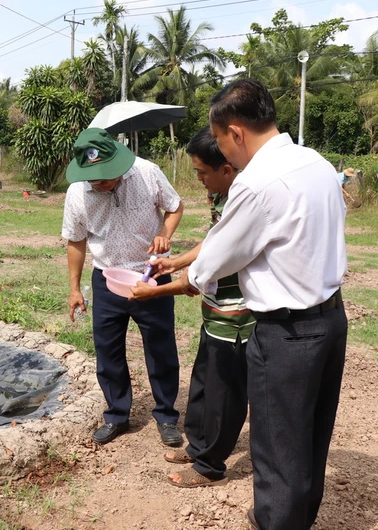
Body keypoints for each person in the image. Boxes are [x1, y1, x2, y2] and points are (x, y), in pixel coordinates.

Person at [172, 79, 347, 530]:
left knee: (277, 447)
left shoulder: (256, 183)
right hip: (331, 319)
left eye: (222, 145)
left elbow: (214, 260)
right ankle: (295, 517)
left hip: (286, 333)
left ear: (236, 132)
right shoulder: (317, 162)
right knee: (309, 435)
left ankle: (276, 521)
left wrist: (175, 277)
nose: (224, 157)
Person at [130, 126, 255, 489]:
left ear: (226, 169)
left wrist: (157, 290)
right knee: (202, 384)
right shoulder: (222, 196)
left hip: (236, 317)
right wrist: (175, 262)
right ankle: (199, 444)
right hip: (215, 312)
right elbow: (214, 241)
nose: (198, 179)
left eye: (202, 172)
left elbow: (214, 267)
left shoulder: (243, 201)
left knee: (224, 393)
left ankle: (210, 464)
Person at [61, 127, 185, 447]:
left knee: (160, 348)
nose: (101, 183)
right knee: (108, 351)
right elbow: (75, 241)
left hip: (151, 276)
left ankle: (166, 416)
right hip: (106, 281)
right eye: (95, 179)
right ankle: (117, 414)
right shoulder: (77, 193)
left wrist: (165, 235)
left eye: (106, 176)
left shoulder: (147, 172)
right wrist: (75, 289)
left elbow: (174, 207)